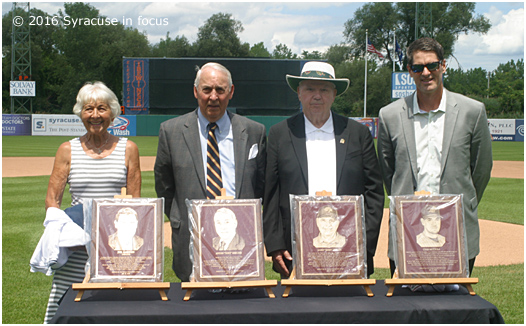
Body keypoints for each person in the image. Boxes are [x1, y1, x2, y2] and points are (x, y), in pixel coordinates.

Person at [377, 37, 493, 276]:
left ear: (443, 66)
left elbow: (480, 169)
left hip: (456, 227)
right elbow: (388, 173)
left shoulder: (472, 111)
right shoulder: (389, 115)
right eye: (418, 67)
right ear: (410, 71)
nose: (426, 72)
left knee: (456, 308)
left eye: (432, 65)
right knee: (405, 307)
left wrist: (461, 204)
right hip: (407, 229)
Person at [263, 61, 384, 278]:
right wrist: (275, 245)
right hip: (295, 250)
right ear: (299, 92)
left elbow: (374, 192)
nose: (317, 96)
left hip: (350, 249)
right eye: (310, 89)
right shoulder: (280, 134)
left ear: (334, 94)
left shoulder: (357, 134)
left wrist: (363, 243)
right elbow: (270, 194)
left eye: (324, 89)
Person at [154, 62, 267, 282]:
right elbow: (164, 187)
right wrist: (183, 220)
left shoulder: (254, 131)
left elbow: (261, 184)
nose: (213, 96)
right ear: (196, 91)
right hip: (192, 238)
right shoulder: (171, 131)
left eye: (220, 90)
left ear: (231, 92)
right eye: (206, 89)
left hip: (241, 239)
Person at [43, 81, 141, 323]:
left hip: (115, 248)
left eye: (102, 108)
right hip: (76, 247)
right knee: (66, 307)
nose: (95, 115)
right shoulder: (67, 150)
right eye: (89, 109)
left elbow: (137, 204)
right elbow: (52, 200)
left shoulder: (128, 149)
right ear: (80, 113)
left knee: (114, 310)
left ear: (112, 113)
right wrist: (65, 238)